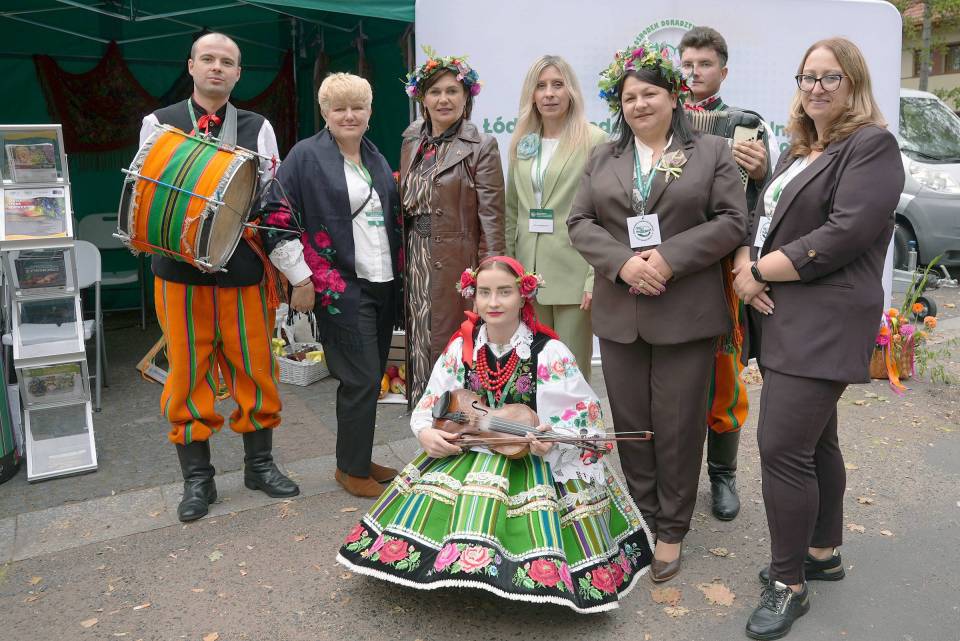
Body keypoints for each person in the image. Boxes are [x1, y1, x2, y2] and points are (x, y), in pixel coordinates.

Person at [336, 256, 653, 613]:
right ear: (473, 297)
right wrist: (425, 432)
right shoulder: (462, 346)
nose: (494, 302)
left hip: (530, 456)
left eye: (504, 292)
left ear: (523, 296)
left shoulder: (549, 352)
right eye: (484, 292)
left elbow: (585, 419)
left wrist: (551, 438)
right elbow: (432, 401)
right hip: (469, 446)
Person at [732, 38, 903, 639]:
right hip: (787, 315)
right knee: (815, 440)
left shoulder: (871, 145)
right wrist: (746, 264)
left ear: (854, 83)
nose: (816, 87)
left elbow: (844, 232)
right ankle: (821, 552)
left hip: (825, 319)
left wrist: (760, 271)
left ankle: (789, 585)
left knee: (782, 449)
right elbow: (763, 219)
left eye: (831, 77)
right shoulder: (801, 150)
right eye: (808, 76)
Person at [568, 42, 747, 583]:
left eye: (649, 94)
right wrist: (622, 264)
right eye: (629, 98)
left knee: (678, 425)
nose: (639, 105)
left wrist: (669, 258)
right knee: (631, 424)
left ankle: (672, 528)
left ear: (674, 97)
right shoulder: (604, 157)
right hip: (621, 312)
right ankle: (643, 517)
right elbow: (580, 223)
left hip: (685, 312)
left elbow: (732, 221)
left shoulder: (711, 152)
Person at [139, 32, 298, 523]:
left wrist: (293, 268)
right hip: (178, 273)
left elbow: (271, 198)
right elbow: (145, 194)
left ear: (237, 73)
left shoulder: (258, 127)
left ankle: (260, 466)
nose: (216, 68)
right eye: (207, 59)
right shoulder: (159, 123)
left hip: (242, 270)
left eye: (226, 62)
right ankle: (198, 480)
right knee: (186, 372)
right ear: (190, 66)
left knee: (255, 366)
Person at [259, 73, 402, 498]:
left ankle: (356, 458)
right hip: (339, 286)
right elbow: (275, 216)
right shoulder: (305, 156)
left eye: (358, 107)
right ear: (324, 112)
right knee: (360, 379)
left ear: (370, 112)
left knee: (370, 376)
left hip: (381, 281)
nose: (349, 115)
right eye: (339, 108)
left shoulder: (374, 156)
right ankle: (350, 470)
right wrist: (299, 277)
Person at [678, 25, 778, 522]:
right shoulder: (656, 114)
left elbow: (766, 199)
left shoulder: (744, 123)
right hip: (671, 262)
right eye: (687, 64)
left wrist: (761, 171)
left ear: (723, 70)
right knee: (673, 376)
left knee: (724, 373)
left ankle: (723, 475)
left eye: (704, 64)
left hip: (721, 266)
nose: (694, 73)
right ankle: (674, 476)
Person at [399, 47, 506, 406]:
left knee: (452, 342)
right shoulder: (411, 139)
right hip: (416, 254)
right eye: (435, 91)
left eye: (452, 91)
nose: (443, 99)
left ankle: (453, 416)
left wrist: (490, 276)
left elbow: (492, 218)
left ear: (466, 97)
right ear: (422, 99)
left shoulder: (481, 146)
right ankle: (423, 415)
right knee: (419, 335)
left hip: (457, 261)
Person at [505, 55, 607, 382]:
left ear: (571, 91)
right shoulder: (523, 142)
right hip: (527, 277)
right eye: (541, 86)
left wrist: (594, 278)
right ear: (532, 94)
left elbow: (604, 214)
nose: (549, 93)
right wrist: (508, 273)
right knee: (532, 373)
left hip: (573, 274)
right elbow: (512, 211)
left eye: (557, 85)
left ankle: (576, 421)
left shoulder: (594, 140)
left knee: (569, 375)